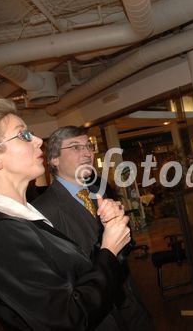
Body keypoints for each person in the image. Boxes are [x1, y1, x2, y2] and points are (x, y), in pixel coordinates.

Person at [0, 99, 132, 330]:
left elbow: (74, 277)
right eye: (23, 135)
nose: (38, 141)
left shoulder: (19, 218)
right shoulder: (1, 234)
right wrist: (109, 251)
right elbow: (67, 318)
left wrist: (106, 234)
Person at [32, 126, 152, 330]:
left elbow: (125, 243)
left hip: (131, 306)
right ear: (54, 159)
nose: (87, 153)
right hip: (97, 319)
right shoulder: (42, 211)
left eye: (88, 146)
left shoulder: (101, 189)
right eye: (76, 147)